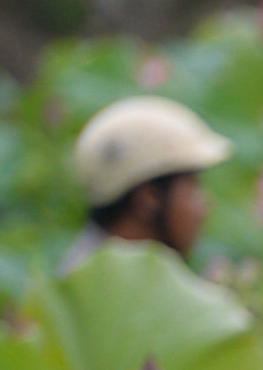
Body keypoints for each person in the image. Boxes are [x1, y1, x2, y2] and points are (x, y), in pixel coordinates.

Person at [68, 95, 229, 258]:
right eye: (192, 190)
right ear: (149, 197)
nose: (204, 206)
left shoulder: (85, 272)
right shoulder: (106, 281)